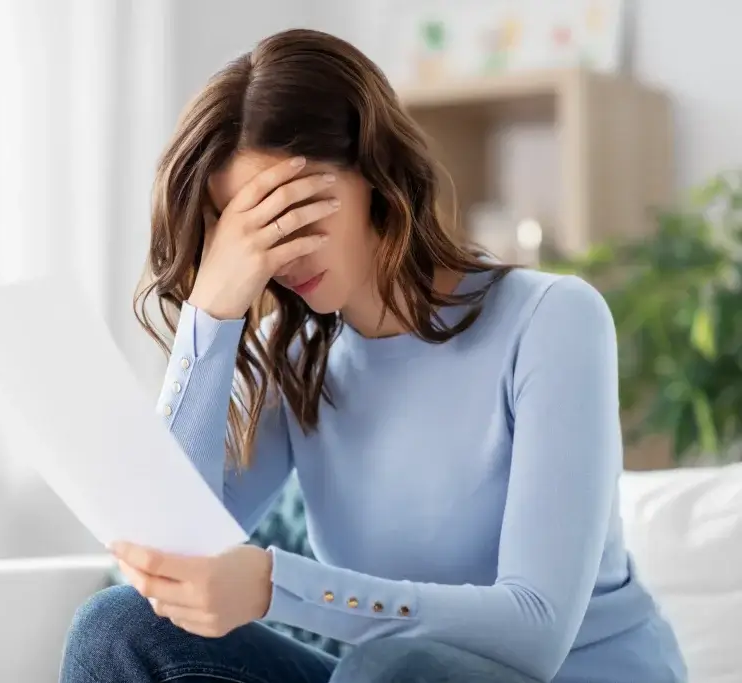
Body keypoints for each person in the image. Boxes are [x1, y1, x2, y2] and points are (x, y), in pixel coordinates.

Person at [60, 28, 686, 683]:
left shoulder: (553, 319)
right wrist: (211, 311)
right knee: (118, 626)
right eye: (247, 230)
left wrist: (278, 586)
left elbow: (534, 631)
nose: (280, 251)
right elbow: (165, 547)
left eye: (291, 210)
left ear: (374, 172)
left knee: (396, 665)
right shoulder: (298, 360)